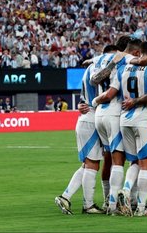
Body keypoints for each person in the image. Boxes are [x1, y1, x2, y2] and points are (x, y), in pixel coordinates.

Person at [93, 40, 147, 216]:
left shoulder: (124, 66)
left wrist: (94, 101)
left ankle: (114, 202)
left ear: (139, 52)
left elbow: (111, 89)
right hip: (144, 119)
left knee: (133, 161)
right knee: (145, 163)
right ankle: (139, 207)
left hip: (124, 119)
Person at [55, 60, 104, 215]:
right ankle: (88, 205)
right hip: (91, 119)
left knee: (87, 164)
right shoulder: (101, 68)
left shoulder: (90, 68)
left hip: (86, 118)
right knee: (92, 164)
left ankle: (65, 197)